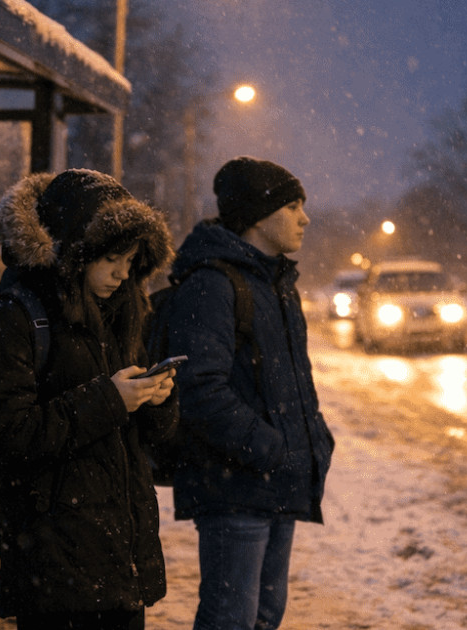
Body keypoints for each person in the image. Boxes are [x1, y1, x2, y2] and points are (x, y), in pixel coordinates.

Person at [0, 169, 178, 630]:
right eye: (111, 258)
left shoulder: (120, 313)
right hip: (54, 565)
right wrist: (110, 400)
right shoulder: (16, 317)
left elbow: (146, 440)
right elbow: (4, 435)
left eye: (131, 259)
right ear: (73, 253)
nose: (122, 273)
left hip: (119, 558)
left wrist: (156, 399)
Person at [156, 156, 336, 630]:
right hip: (234, 486)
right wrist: (268, 447)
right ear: (258, 216)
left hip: (275, 480)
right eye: (293, 207)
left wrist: (314, 440)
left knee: (264, 617)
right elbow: (198, 388)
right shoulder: (212, 285)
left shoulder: (278, 284)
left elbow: (293, 381)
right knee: (230, 619)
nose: (304, 218)